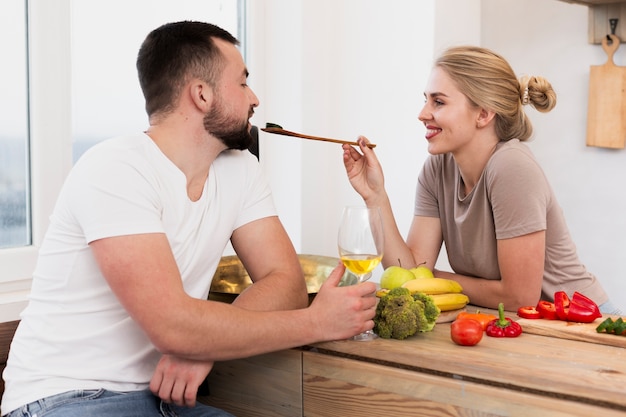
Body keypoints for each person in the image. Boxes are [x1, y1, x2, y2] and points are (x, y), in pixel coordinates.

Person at [1, 21, 377, 417]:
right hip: (64, 399)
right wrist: (317, 324)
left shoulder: (241, 170)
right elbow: (173, 327)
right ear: (201, 94)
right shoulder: (116, 168)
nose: (255, 98)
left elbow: (286, 283)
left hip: (162, 401)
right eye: (243, 82)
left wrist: (204, 346)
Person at [342, 45, 621, 315]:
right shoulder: (438, 168)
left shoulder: (511, 166)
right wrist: (375, 195)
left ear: (484, 114)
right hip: (520, 327)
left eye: (438, 102)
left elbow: (518, 296)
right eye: (425, 99)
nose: (422, 114)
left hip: (581, 323)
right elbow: (410, 269)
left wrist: (435, 277)